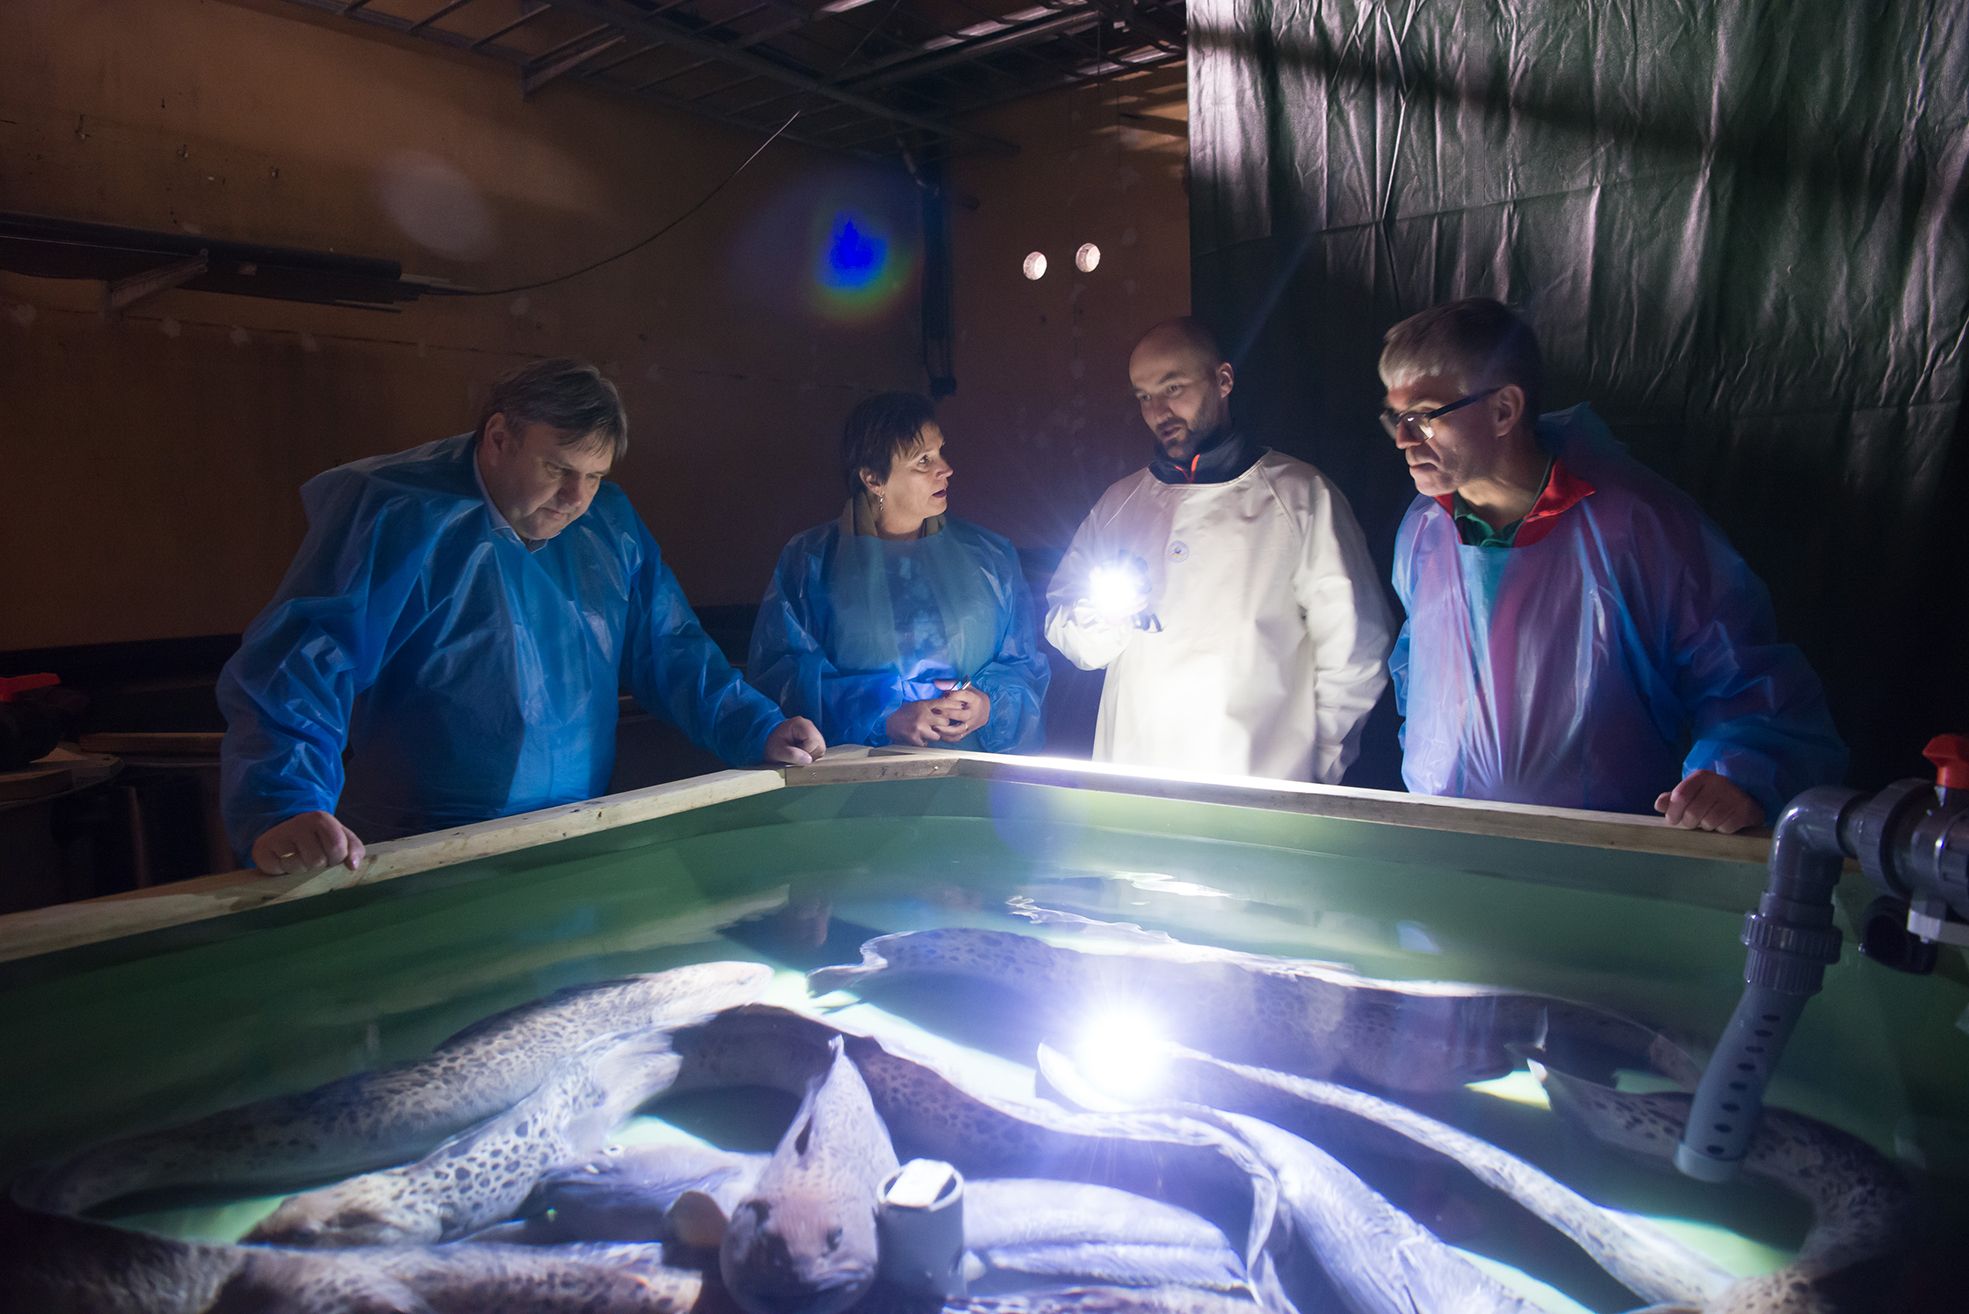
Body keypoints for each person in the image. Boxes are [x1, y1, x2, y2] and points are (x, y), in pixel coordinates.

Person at [219, 359, 824, 877]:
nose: (576, 499)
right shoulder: (402, 514)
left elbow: (670, 646)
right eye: (558, 469)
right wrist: (285, 806)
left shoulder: (607, 525)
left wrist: (755, 726)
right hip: (413, 850)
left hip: (568, 839)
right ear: (499, 437)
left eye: (595, 477)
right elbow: (302, 665)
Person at [1380, 297, 1846, 831]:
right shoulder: (1426, 530)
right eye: (1395, 418)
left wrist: (1737, 777)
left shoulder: (1637, 526)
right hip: (1440, 839)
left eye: (1422, 416)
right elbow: (1417, 675)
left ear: (1504, 409)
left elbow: (1746, 679)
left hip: (1602, 854)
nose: (1403, 439)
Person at [1045, 318, 1392, 783]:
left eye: (1173, 388)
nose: (1158, 411)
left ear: (1223, 379)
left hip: (1260, 784)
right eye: (1144, 396)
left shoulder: (1300, 496)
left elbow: (1356, 648)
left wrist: (1316, 769)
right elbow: (1070, 636)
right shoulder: (1120, 504)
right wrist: (1108, 616)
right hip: (1134, 780)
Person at [748, 392, 1049, 752]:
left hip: (972, 770)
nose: (945, 469)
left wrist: (988, 705)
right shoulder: (812, 562)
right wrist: (885, 716)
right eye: (923, 460)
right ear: (873, 478)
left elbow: (1022, 665)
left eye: (940, 452)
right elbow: (783, 679)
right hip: (858, 774)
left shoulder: (990, 558)